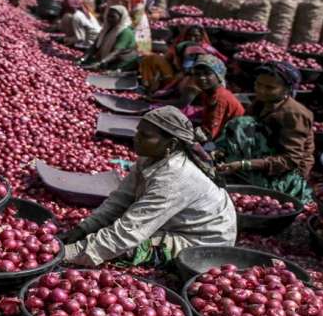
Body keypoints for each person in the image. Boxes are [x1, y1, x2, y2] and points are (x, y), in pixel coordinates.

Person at [60, 106, 237, 267]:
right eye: (138, 132)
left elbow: (130, 231)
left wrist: (70, 253)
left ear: (171, 145)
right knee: (110, 233)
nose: (135, 138)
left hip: (201, 242)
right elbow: (121, 199)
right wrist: (84, 228)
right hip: (174, 224)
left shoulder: (176, 177)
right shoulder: (149, 158)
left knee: (124, 250)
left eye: (145, 136)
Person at [215, 61, 314, 202]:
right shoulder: (261, 102)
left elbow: (291, 159)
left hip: (287, 172)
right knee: (238, 124)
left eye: (270, 87)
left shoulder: (293, 114)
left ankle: (269, 186)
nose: (261, 90)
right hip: (266, 155)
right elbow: (239, 134)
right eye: (258, 84)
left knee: (241, 124)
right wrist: (220, 151)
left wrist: (244, 164)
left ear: (286, 89)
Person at [191, 54, 244, 140]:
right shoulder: (207, 92)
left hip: (233, 138)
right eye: (197, 74)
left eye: (207, 74)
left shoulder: (220, 98)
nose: (201, 78)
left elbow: (210, 134)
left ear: (218, 76)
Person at [80, 5, 138, 71]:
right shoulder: (106, 29)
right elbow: (95, 46)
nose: (109, 19)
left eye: (113, 17)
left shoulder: (125, 32)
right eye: (108, 16)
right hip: (108, 60)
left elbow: (116, 52)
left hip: (123, 63)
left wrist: (100, 63)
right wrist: (83, 59)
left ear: (121, 17)